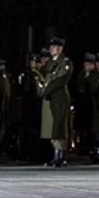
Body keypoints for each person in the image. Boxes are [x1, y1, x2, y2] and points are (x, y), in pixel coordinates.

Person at [39, 37, 75, 167]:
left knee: (59, 126)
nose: (51, 49)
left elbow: (60, 80)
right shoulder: (49, 63)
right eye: (51, 47)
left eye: (54, 47)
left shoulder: (65, 63)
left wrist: (46, 90)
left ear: (60, 48)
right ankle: (55, 154)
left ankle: (60, 155)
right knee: (51, 127)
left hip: (59, 96)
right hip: (49, 97)